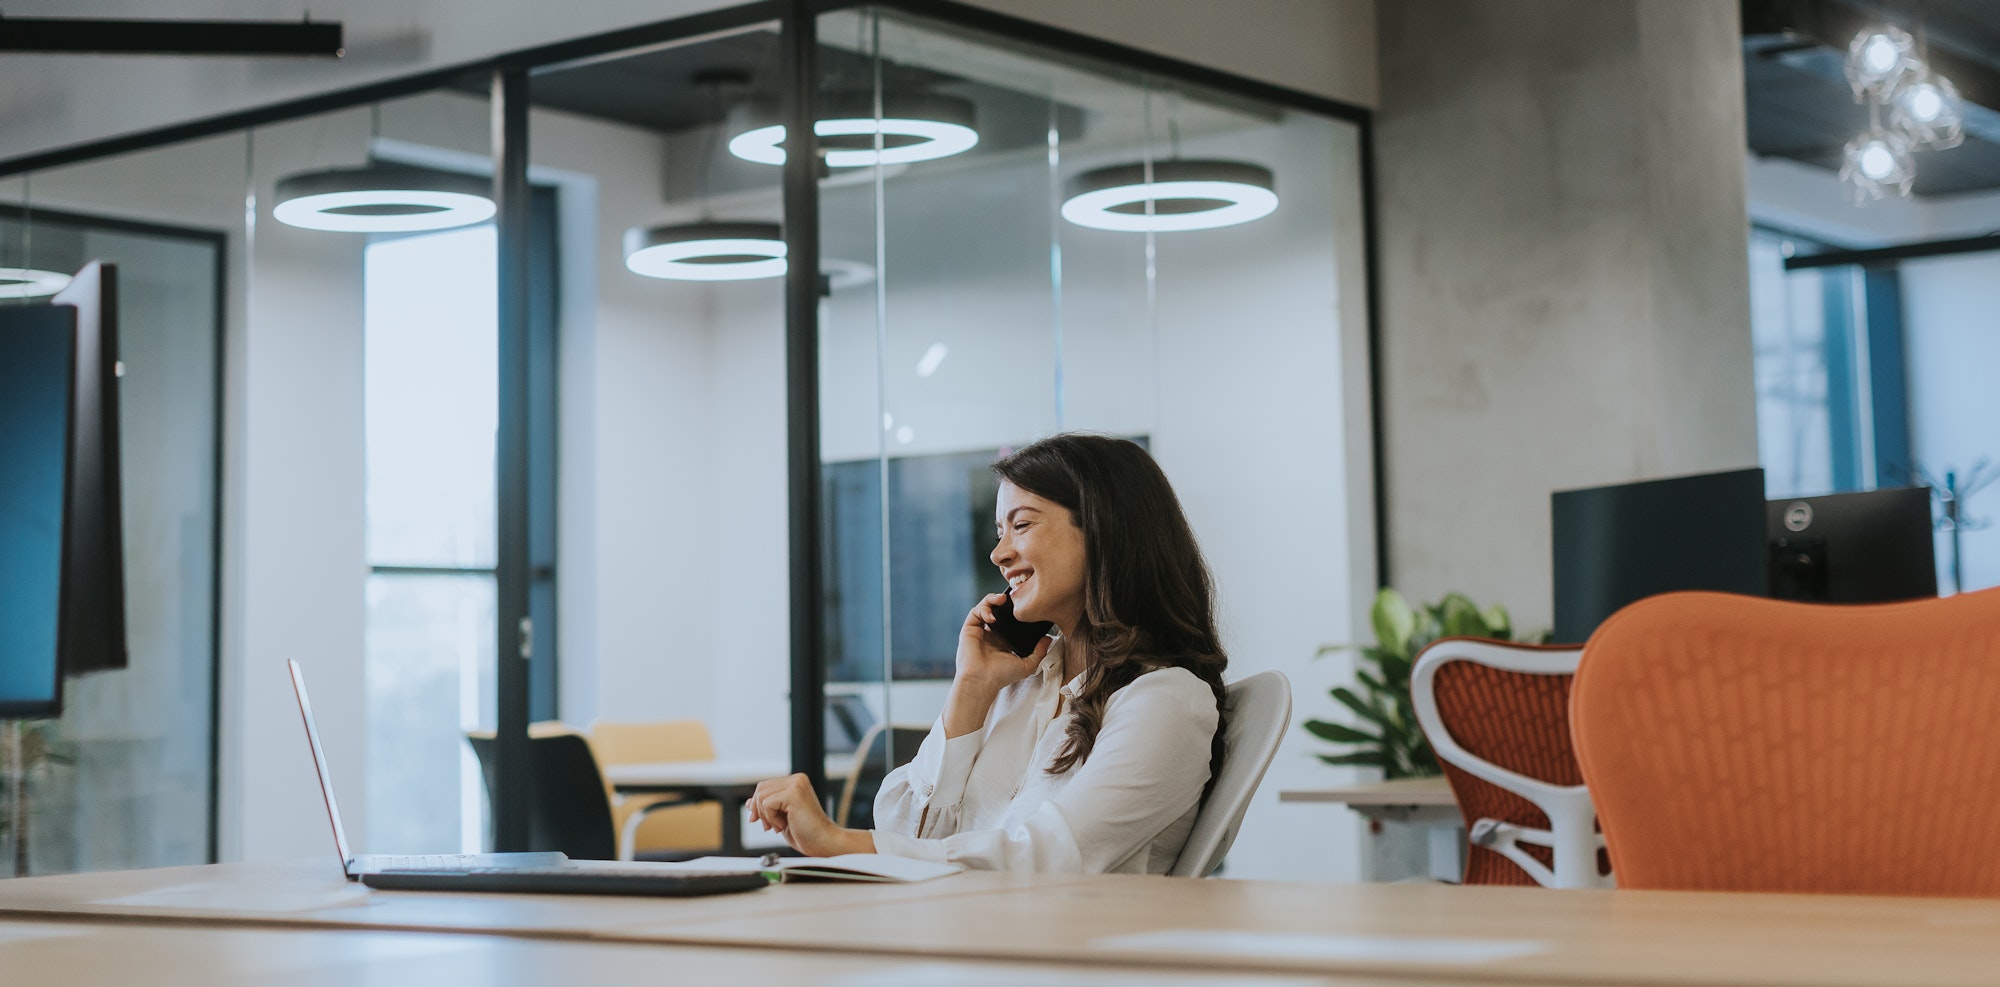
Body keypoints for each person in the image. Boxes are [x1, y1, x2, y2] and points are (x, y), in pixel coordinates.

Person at [748, 433, 1228, 873]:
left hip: (1066, 957)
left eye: (1021, 525)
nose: (999, 554)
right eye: (999, 531)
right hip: (964, 940)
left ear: (1104, 531)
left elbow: (1041, 862)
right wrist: (971, 690)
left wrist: (838, 842)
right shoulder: (1021, 685)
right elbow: (902, 840)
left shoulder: (1166, 701)